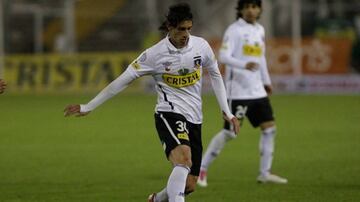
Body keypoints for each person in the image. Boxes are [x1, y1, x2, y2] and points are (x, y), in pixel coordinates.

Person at [64, 3, 239, 202]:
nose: (186, 34)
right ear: (170, 27)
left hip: (195, 118)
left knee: (189, 185)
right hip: (169, 113)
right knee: (183, 160)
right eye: (181, 29)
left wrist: (227, 111)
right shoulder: (154, 55)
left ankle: (156, 200)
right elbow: (121, 81)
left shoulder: (201, 46)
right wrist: (89, 106)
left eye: (189, 28)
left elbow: (216, 76)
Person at [197, 0, 287, 187]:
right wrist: (243, 64)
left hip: (257, 91)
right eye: (247, 7)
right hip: (238, 91)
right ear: (241, 10)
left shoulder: (260, 30)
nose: (251, 10)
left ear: (259, 10)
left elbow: (260, 57)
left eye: (254, 7)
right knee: (230, 133)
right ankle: (201, 170)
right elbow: (223, 56)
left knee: (269, 129)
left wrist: (266, 81)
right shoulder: (234, 30)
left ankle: (265, 173)